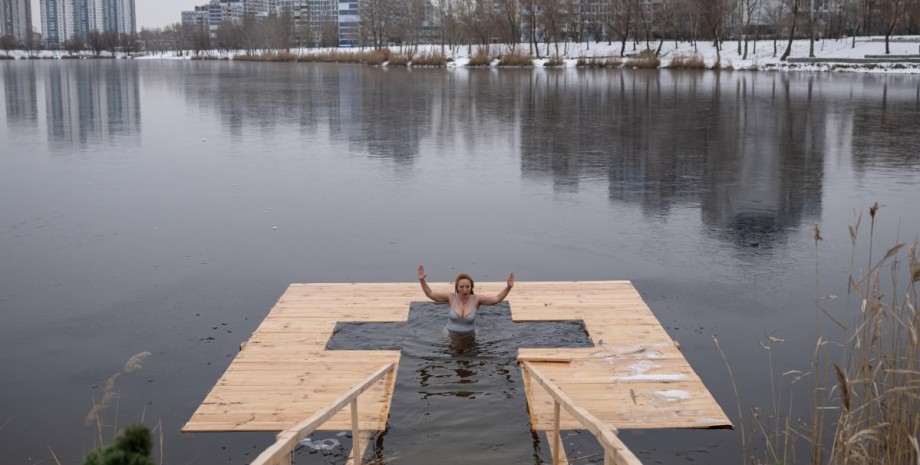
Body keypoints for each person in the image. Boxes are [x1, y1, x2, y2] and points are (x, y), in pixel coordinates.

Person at [417, 265, 515, 334]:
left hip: (470, 335)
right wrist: (422, 280)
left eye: (468, 287)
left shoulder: (477, 299)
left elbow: (497, 299)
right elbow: (430, 294)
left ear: (471, 287)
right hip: (451, 335)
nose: (465, 290)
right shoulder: (450, 297)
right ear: (457, 287)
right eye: (461, 287)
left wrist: (508, 287)